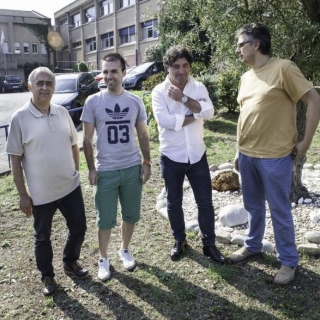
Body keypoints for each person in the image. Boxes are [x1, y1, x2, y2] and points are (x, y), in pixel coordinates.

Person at [231, 22, 320, 285]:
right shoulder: (246, 77)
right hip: (247, 155)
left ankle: (289, 261)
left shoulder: (283, 68)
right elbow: (245, 115)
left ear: (256, 44)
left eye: (240, 44)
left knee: (280, 210)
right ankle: (253, 245)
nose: (238, 50)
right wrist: (238, 150)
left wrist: (305, 143)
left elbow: (313, 99)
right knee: (252, 206)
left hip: (275, 156)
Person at [5, 67, 88, 297]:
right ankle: (47, 275)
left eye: (49, 83)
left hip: (69, 186)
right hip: (40, 194)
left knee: (79, 229)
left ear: (54, 87)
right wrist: (23, 194)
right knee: (43, 238)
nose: (45, 87)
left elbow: (74, 144)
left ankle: (70, 262)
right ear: (29, 86)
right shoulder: (19, 118)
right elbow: (15, 160)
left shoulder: (62, 112)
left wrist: (74, 171)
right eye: (39, 83)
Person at [151, 45, 226, 263]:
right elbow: (164, 121)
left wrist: (183, 99)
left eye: (185, 66)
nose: (181, 71)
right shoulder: (158, 91)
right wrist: (195, 113)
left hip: (197, 155)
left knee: (205, 203)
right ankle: (179, 241)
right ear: (167, 67)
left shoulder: (198, 87)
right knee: (174, 203)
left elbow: (209, 111)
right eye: (176, 66)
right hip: (171, 156)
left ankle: (209, 246)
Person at [81, 53, 151, 281]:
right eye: (105, 71)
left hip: (131, 167)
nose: (109, 76)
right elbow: (86, 139)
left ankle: (124, 249)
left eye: (114, 71)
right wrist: (91, 168)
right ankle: (103, 258)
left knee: (130, 215)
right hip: (106, 170)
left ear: (123, 72)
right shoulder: (93, 101)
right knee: (105, 219)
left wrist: (147, 162)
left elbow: (142, 133)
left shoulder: (135, 101)